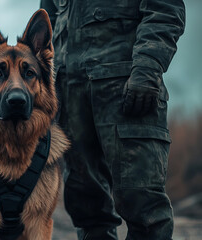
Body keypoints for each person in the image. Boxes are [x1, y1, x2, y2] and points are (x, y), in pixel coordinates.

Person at [40, 0, 185, 239]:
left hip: (128, 91)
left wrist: (148, 67)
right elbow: (47, 24)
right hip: (69, 95)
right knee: (86, 205)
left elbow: (165, 9)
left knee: (143, 203)